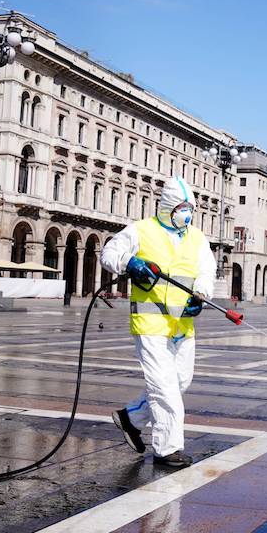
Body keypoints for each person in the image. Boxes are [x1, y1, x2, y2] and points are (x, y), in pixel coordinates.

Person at [100, 176, 216, 468]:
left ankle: (131, 418)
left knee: (180, 383)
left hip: (182, 326)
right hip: (150, 324)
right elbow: (109, 253)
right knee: (164, 388)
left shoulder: (197, 238)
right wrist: (130, 263)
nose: (186, 213)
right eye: (181, 207)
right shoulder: (142, 230)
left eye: (189, 208)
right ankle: (167, 449)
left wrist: (201, 294)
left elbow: (206, 271)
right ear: (167, 207)